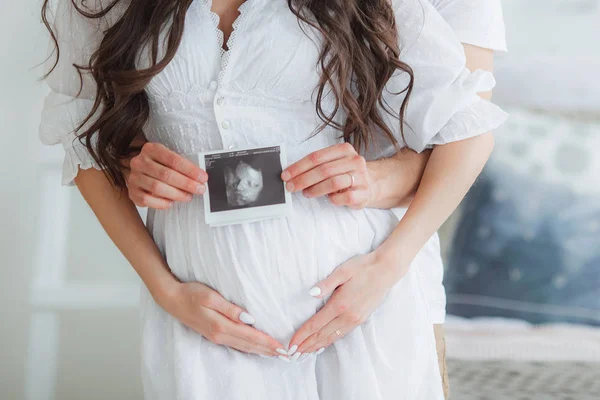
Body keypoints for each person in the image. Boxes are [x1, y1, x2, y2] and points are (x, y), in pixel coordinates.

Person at [38, 0, 508, 399]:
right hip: (203, 317)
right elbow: (82, 138)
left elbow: (467, 125)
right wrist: (165, 288)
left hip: (357, 304)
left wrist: (387, 265)